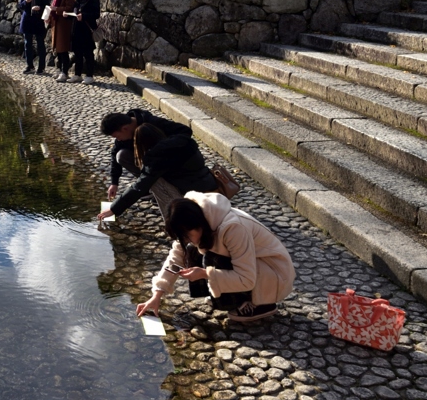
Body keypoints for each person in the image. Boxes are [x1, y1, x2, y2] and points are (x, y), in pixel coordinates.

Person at [135, 193, 296, 323]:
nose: (186, 240)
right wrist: (157, 295)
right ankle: (226, 297)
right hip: (254, 268)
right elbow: (175, 258)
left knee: (209, 259)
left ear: (198, 224)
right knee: (191, 251)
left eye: (187, 235)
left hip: (273, 275)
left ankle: (260, 303)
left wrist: (206, 274)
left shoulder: (233, 228)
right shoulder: (194, 219)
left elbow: (247, 278)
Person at [97, 123, 218, 221]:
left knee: (154, 182)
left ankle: (174, 220)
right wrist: (114, 182)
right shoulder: (181, 141)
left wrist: (114, 209)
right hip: (209, 183)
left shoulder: (156, 158)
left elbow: (139, 186)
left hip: (191, 192)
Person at [100, 109, 192, 202]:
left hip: (170, 162)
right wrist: (114, 183)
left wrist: (161, 148)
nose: (118, 140)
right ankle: (151, 187)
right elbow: (114, 155)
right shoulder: (124, 135)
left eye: (117, 136)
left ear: (125, 128)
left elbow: (185, 131)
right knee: (121, 155)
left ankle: (166, 187)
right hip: (150, 166)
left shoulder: (153, 122)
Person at [17, 0, 51, 74]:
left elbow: (47, 6)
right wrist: (25, 2)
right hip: (27, 19)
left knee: (40, 44)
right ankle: (29, 65)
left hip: (38, 20)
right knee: (27, 44)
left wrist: (39, 8)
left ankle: (41, 67)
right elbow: (20, 6)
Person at [47, 0, 75, 82]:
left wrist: (56, 9)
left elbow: (69, 8)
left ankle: (65, 72)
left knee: (63, 49)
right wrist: (49, 16)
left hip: (63, 25)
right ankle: (60, 70)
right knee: (58, 49)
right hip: (56, 24)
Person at [71, 0, 100, 85]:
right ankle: (77, 74)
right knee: (77, 52)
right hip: (77, 28)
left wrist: (84, 15)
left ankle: (89, 75)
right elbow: (75, 7)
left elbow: (96, 14)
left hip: (87, 29)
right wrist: (74, 13)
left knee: (88, 53)